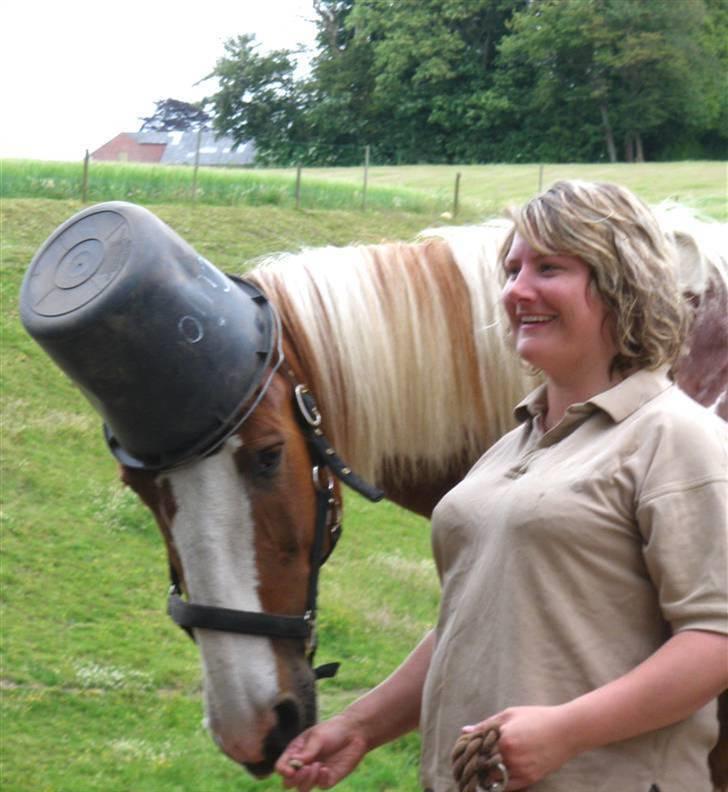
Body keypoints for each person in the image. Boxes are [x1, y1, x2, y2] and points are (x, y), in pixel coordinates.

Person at [275, 180, 728, 791]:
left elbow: (714, 639)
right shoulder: (511, 448)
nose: (517, 289)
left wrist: (567, 730)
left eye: (550, 267)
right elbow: (471, 621)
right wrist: (360, 726)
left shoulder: (676, 436)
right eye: (512, 269)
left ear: (623, 283)